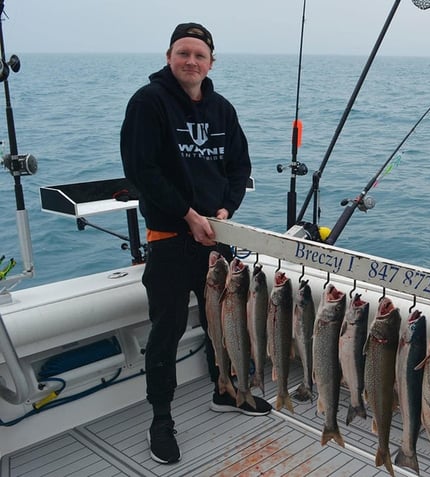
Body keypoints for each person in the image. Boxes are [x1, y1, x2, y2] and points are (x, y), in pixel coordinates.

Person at [120, 22, 271, 465]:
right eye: (183, 53)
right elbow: (141, 170)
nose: (191, 61)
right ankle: (161, 420)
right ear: (169, 56)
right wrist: (188, 214)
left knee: (222, 327)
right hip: (169, 241)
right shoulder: (148, 103)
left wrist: (225, 212)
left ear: (211, 62)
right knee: (164, 335)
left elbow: (239, 167)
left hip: (215, 242)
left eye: (199, 55)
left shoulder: (222, 109)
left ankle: (228, 392)